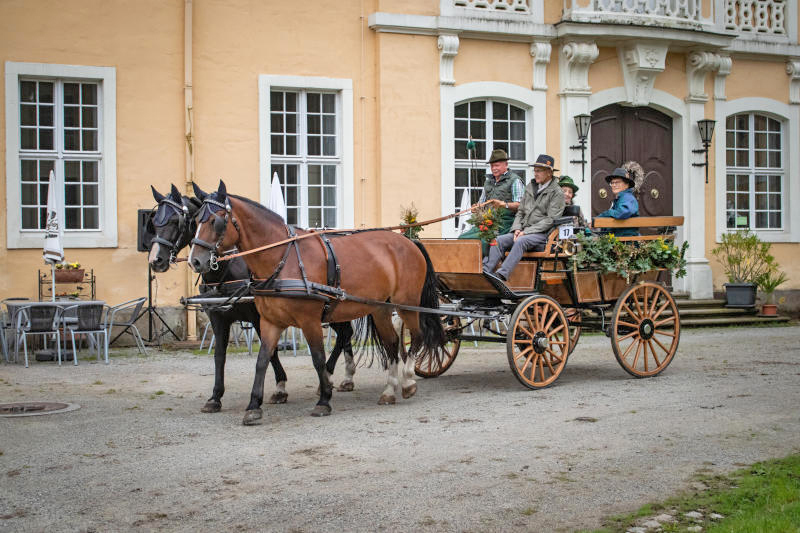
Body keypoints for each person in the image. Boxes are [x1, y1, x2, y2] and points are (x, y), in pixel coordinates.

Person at [483, 154, 565, 281]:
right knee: (498, 240)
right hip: (524, 231)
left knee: (521, 241)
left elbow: (550, 220)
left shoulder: (557, 193)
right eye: (535, 171)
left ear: (549, 172)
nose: (535, 174)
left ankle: (501, 274)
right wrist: (516, 229)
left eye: (539, 171)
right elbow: (520, 211)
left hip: (543, 235)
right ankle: (486, 272)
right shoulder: (530, 187)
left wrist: (525, 232)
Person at [458, 148, 524, 254]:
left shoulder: (515, 180)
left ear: (506, 164)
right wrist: (477, 207)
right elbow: (482, 203)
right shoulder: (488, 182)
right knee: (463, 238)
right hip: (487, 221)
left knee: (482, 241)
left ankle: (485, 267)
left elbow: (520, 205)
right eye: (492, 166)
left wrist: (503, 204)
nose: (494, 168)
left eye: (497, 165)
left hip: (506, 223)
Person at [594, 167, 639, 237]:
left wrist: (606, 213)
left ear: (626, 185)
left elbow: (622, 212)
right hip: (618, 239)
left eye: (617, 182)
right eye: (612, 183)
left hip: (626, 241)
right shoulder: (621, 198)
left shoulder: (628, 198)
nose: (614, 185)